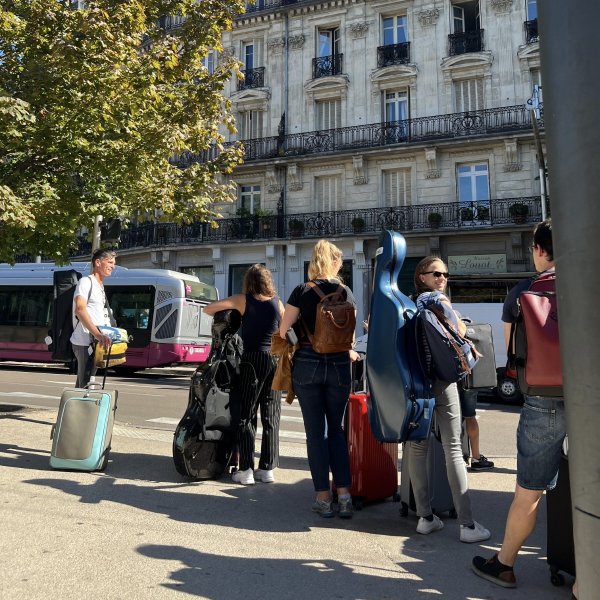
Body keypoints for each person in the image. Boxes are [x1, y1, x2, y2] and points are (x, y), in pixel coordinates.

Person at [472, 219, 572, 592]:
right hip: (587, 397)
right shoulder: (587, 281)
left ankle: (504, 564)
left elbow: (511, 351)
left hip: (542, 399)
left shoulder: (523, 291)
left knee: (528, 492)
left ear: (541, 250)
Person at [407, 256, 491, 543]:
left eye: (445, 274)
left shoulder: (410, 305)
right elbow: (461, 331)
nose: (442, 278)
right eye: (436, 273)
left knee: (417, 447)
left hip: (418, 381)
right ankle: (467, 525)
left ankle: (425, 517)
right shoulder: (437, 301)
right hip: (443, 380)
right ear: (422, 277)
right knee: (453, 448)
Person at [279, 239, 359, 519]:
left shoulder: (302, 290)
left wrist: (299, 339)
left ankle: (323, 499)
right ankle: (345, 497)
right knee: (336, 430)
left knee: (316, 433)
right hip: (339, 365)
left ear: (314, 262)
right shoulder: (345, 290)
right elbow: (350, 331)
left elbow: (283, 329)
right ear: (335, 262)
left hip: (308, 363)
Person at [203, 264, 283, 485]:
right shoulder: (277, 302)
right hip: (273, 360)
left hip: (252, 360)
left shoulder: (243, 300)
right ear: (268, 281)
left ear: (249, 281)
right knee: (271, 415)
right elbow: (285, 330)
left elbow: (209, 309)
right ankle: (267, 468)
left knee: (247, 414)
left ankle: (246, 468)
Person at [70, 249, 116, 388]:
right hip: (84, 341)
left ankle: (79, 408)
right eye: (109, 262)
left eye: (114, 263)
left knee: (86, 383)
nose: (113, 266)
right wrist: (97, 333)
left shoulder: (100, 286)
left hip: (96, 341)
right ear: (97, 262)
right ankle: (79, 408)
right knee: (85, 383)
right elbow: (80, 309)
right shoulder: (86, 282)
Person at [460, 386, 495, 471]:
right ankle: (476, 458)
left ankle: (451, 457)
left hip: (445, 379)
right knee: (469, 416)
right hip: (467, 379)